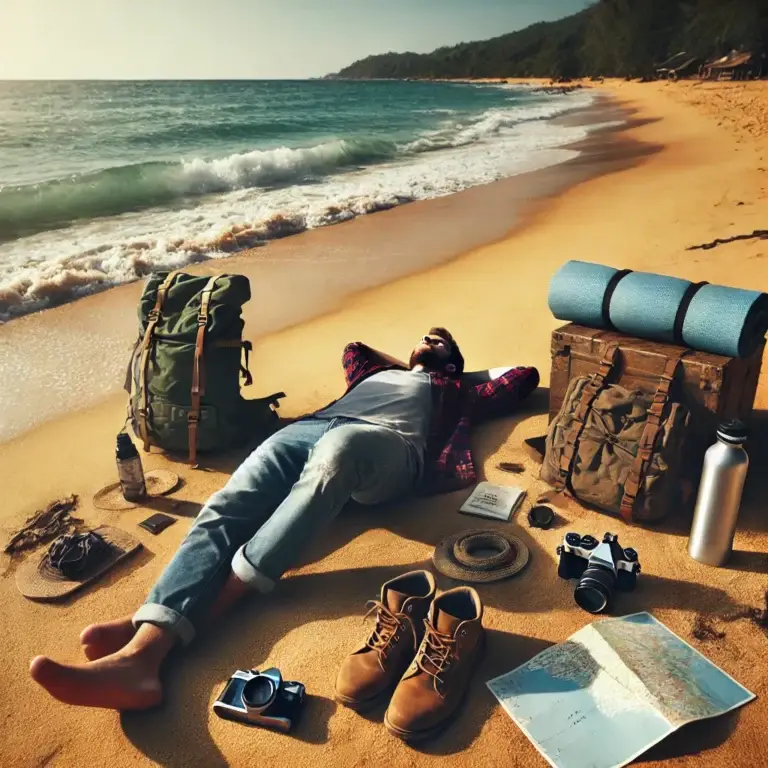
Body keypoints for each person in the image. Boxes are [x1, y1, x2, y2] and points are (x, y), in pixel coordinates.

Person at [29, 328, 539, 710]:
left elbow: (522, 376)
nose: (430, 341)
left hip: (388, 449)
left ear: (455, 361)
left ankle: (187, 626)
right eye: (424, 337)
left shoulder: (458, 390)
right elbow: (354, 348)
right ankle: (153, 633)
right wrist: (407, 361)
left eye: (440, 340)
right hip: (314, 428)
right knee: (234, 499)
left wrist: (447, 369)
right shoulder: (373, 371)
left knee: (339, 451)